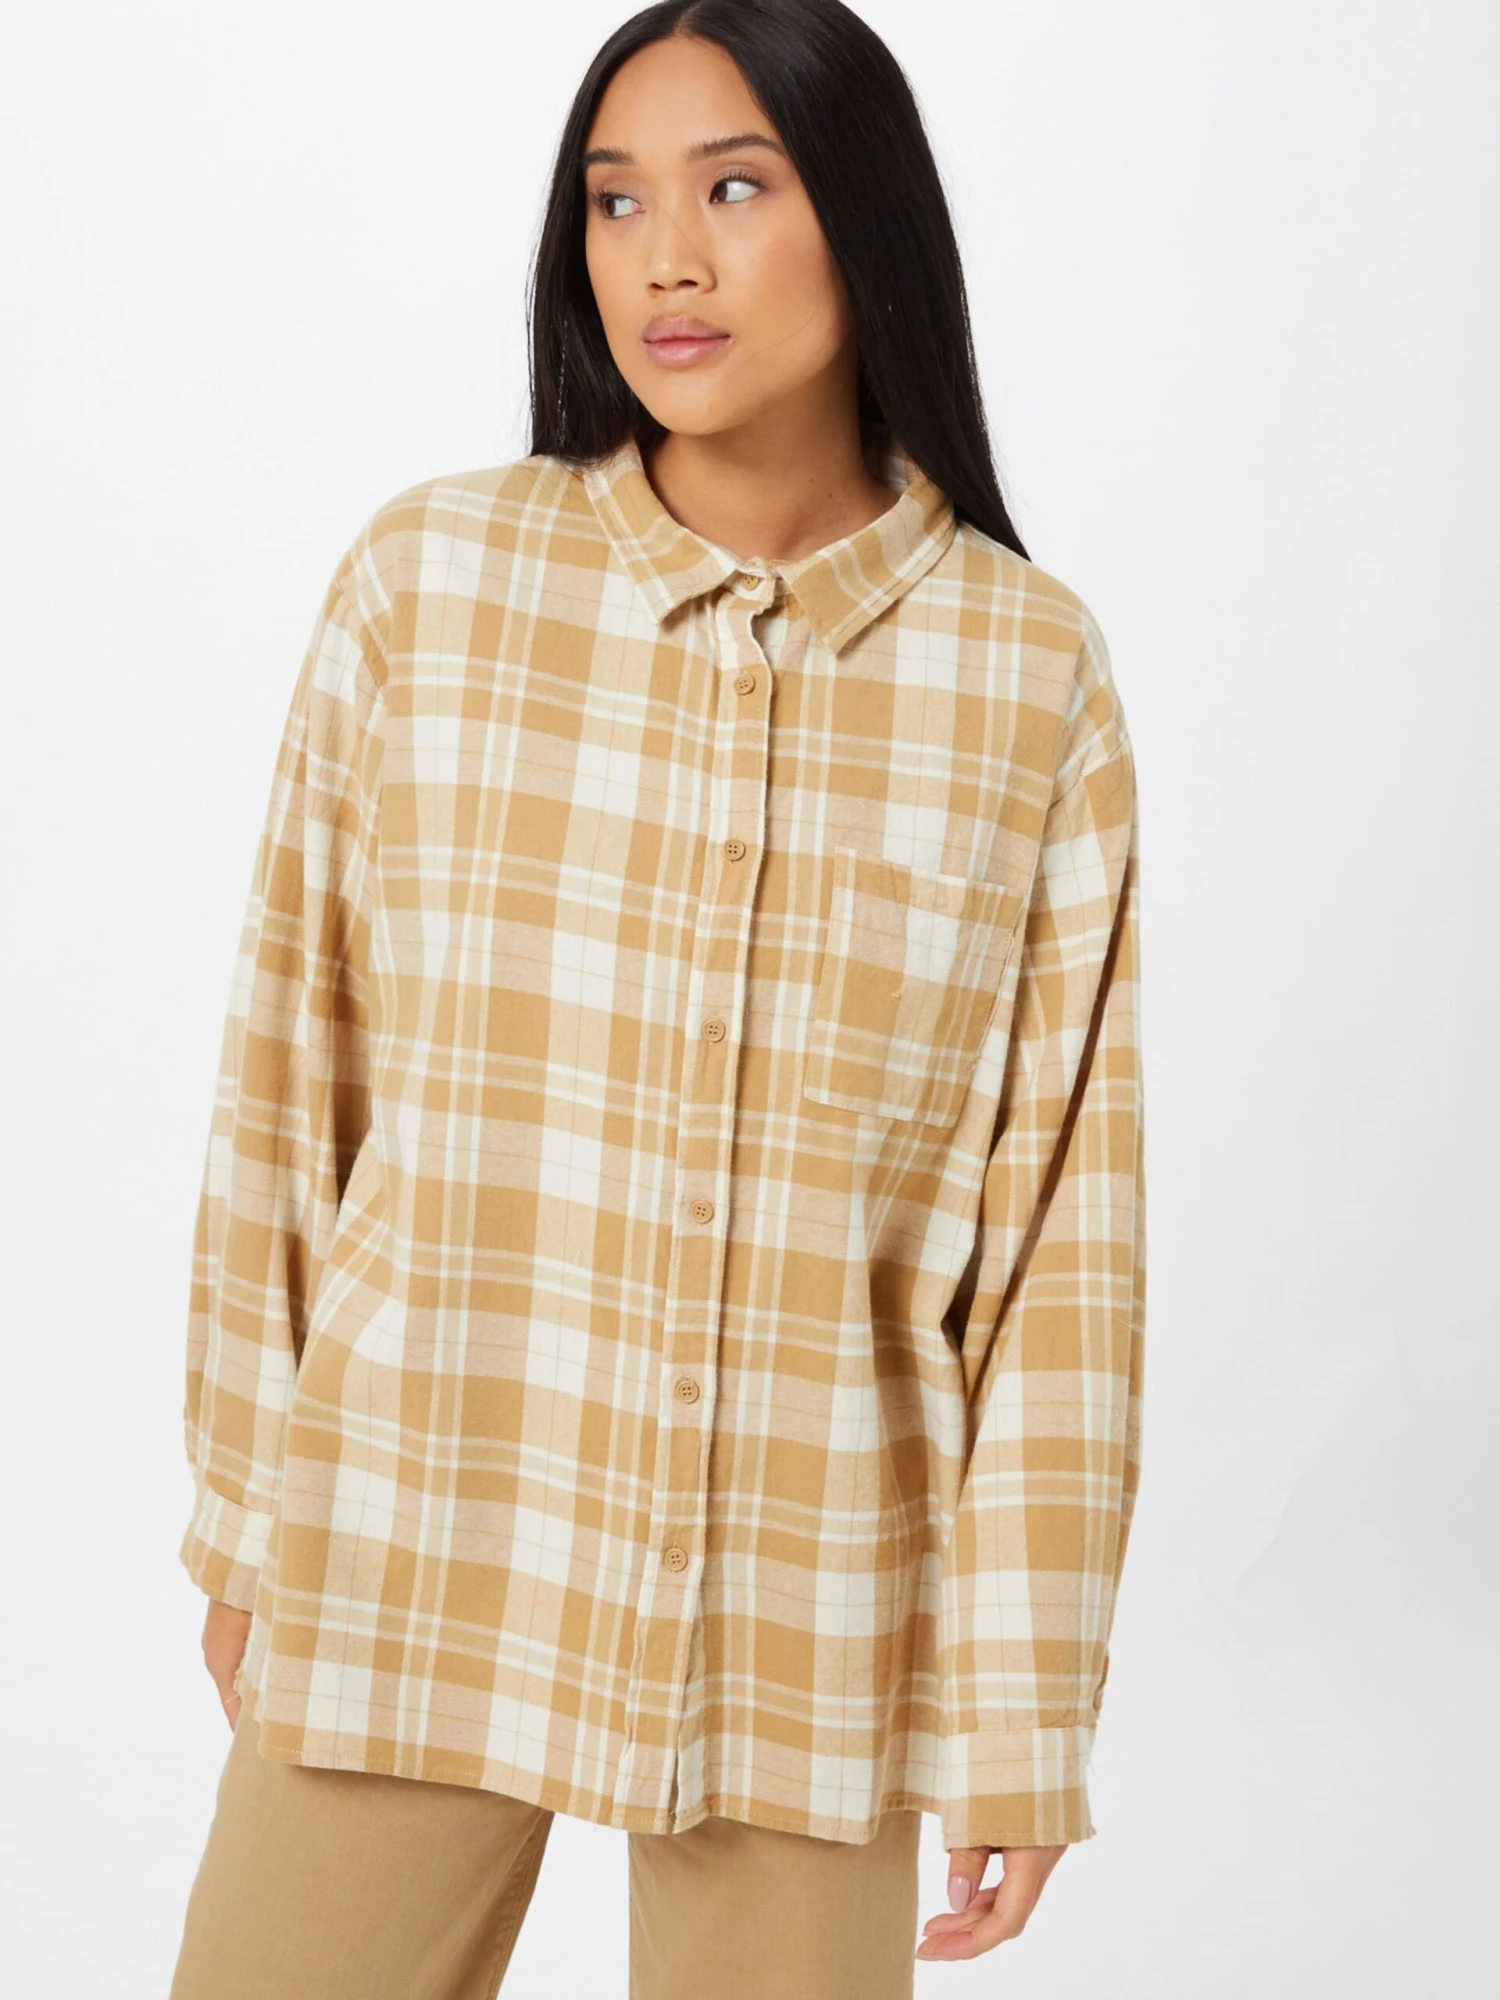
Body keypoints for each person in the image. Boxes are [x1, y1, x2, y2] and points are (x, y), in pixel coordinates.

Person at [166, 2, 1146, 1994]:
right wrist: (250, 1513)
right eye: (615, 202)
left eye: (734, 189)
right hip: (418, 1524)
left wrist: (1022, 1700)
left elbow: (1060, 1237)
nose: (664, 260)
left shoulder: (1026, 676)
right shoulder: (432, 587)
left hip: (808, 1603)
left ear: (864, 213)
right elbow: (291, 1075)